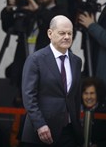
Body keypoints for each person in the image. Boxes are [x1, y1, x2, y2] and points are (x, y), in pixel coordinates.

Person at [1, 0, 69, 105]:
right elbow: (10, 28)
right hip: (25, 72)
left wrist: (38, 10)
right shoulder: (30, 12)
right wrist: (9, 10)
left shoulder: (61, 11)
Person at [21, 15, 83, 147]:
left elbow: (75, 96)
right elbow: (29, 96)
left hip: (69, 131)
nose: (66, 37)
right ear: (50, 33)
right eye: (62, 33)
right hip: (41, 132)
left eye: (70, 33)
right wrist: (40, 125)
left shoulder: (76, 61)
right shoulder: (36, 59)